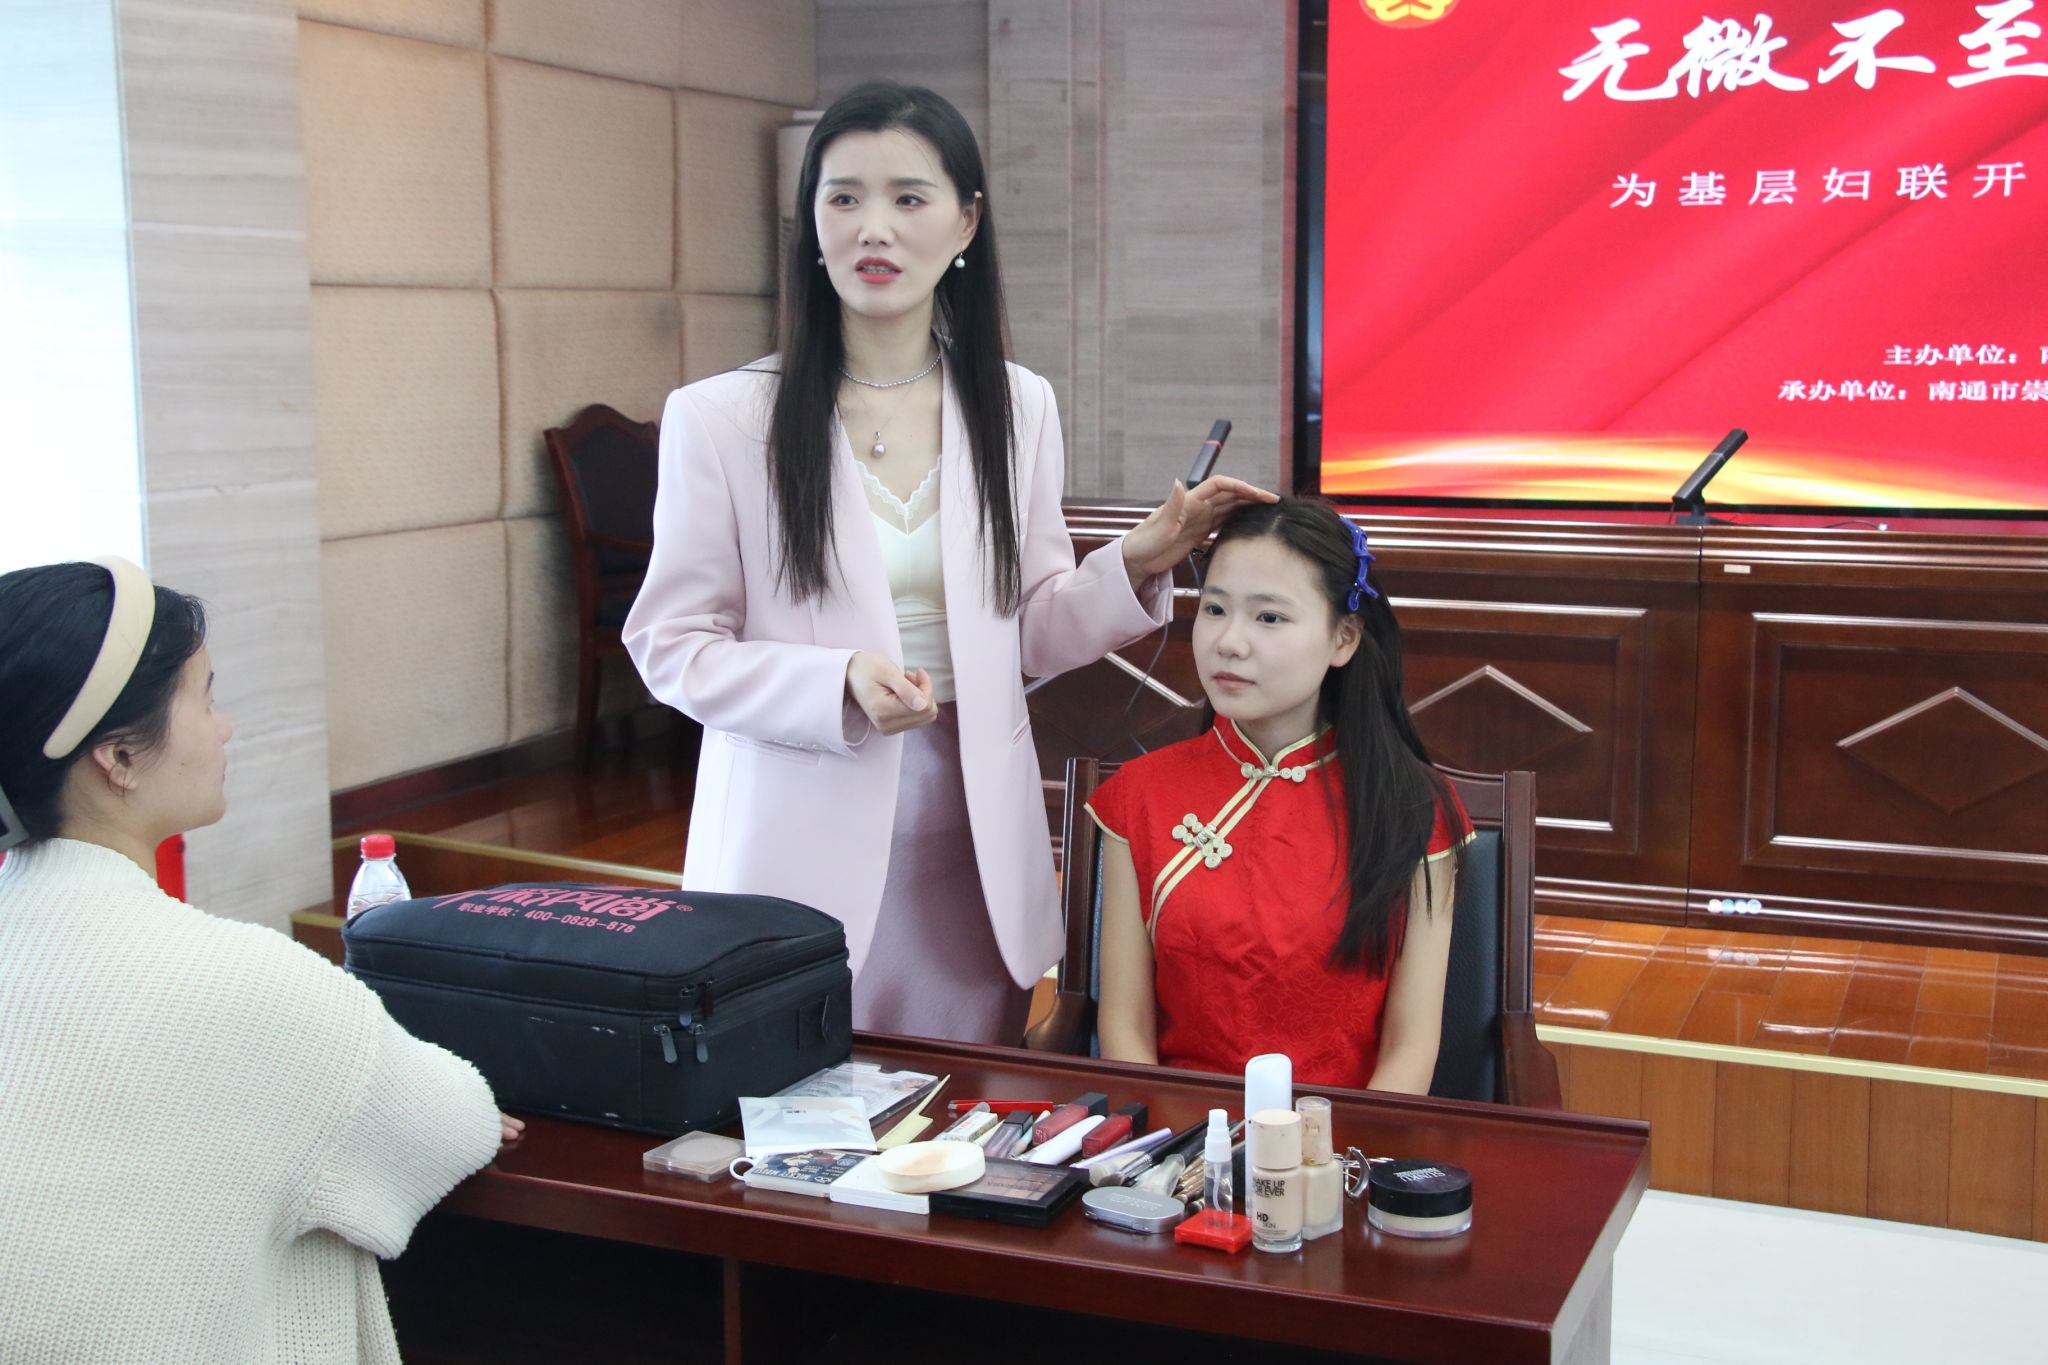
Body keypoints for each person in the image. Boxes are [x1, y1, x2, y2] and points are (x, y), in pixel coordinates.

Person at [624, 80, 1271, 1045]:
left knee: (964, 1104)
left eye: (908, 198)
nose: (873, 227)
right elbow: (672, 645)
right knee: (792, 1105)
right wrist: (835, 680)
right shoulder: (721, 418)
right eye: (844, 198)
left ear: (966, 221)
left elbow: (1029, 630)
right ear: (811, 221)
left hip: (968, 833)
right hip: (794, 832)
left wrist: (1136, 558)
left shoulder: (1016, 405)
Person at [0, 557, 519, 1364]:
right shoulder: (249, 981)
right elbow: (450, 1122)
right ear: (118, 756)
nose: (225, 727)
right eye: (205, 698)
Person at [1089, 499, 1472, 1092]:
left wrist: (1338, 1149)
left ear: (1344, 638)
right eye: (1215, 608)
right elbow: (1124, 1024)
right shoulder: (1138, 795)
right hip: (1178, 1131)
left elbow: (1411, 1045)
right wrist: (1167, 1140)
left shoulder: (1413, 807)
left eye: (1269, 617)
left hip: (1347, 1134)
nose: (1229, 642)